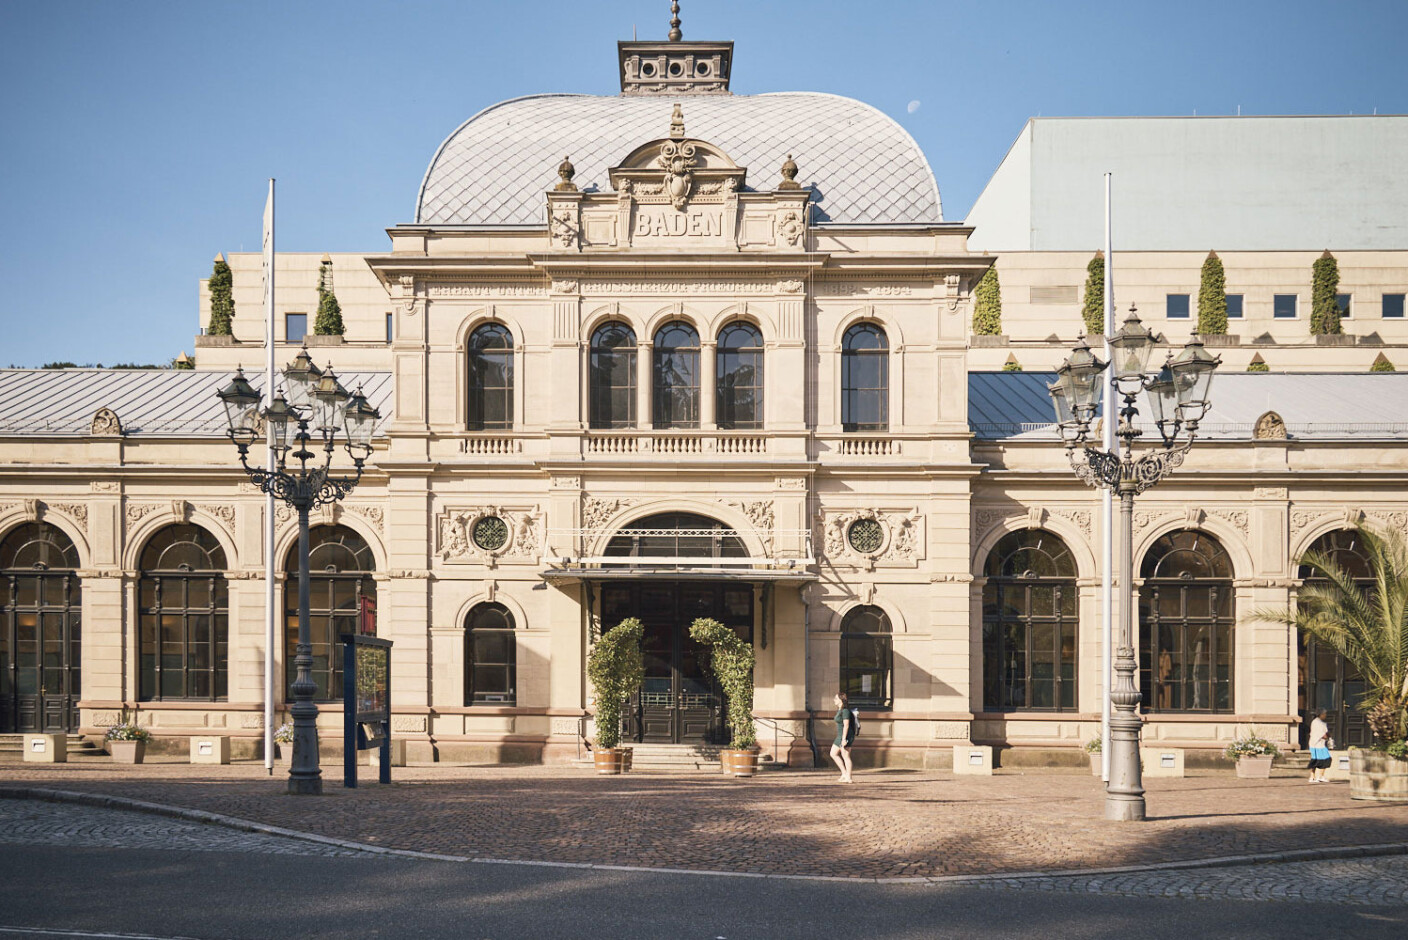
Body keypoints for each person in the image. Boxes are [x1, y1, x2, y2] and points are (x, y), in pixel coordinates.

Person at [830, 692, 857, 783]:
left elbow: (846, 725)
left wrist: (844, 739)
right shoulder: (840, 710)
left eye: (836, 698)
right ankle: (844, 773)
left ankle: (849, 777)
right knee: (833, 753)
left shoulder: (845, 711)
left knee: (845, 755)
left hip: (846, 735)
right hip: (840, 736)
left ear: (841, 700)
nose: (834, 700)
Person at [1307, 708, 1333, 783]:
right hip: (1318, 744)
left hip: (1314, 744)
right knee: (1326, 759)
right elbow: (1323, 734)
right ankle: (1320, 776)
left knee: (1315, 760)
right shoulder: (1318, 723)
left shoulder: (1315, 722)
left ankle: (1312, 776)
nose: (1325, 715)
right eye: (1324, 714)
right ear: (1321, 714)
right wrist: (1328, 737)